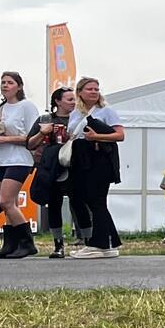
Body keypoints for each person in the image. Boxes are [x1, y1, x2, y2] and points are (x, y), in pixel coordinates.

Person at [65, 78, 126, 259]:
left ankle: (98, 244)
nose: (94, 91)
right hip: (81, 158)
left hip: (99, 159)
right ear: (80, 92)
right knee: (87, 199)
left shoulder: (106, 111)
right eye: (90, 89)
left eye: (96, 89)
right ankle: (108, 241)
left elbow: (120, 135)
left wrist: (97, 136)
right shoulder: (75, 113)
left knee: (97, 200)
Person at [0, 71, 40, 258]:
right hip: (1, 159)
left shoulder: (26, 106)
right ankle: (10, 243)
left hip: (19, 159)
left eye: (9, 82)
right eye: (3, 82)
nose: (5, 85)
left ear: (19, 86)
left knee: (5, 201)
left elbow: (33, 136)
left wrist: (6, 139)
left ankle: (27, 242)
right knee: (9, 204)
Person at [25, 86, 78, 259]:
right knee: (54, 205)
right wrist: (43, 132)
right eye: (70, 99)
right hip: (51, 167)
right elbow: (30, 143)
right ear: (58, 101)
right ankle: (58, 245)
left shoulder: (79, 119)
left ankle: (86, 241)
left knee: (79, 203)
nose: (74, 102)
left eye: (74, 99)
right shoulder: (46, 119)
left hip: (75, 167)